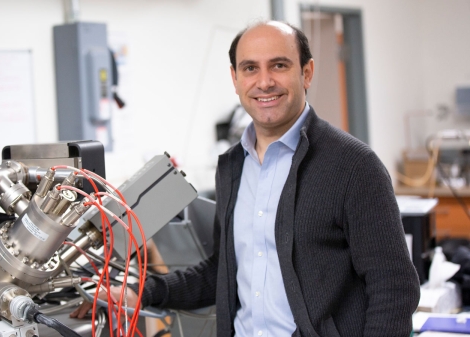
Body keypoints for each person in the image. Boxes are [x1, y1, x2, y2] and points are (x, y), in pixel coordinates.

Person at [71, 21, 420, 337]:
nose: (264, 81)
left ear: (307, 73)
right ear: (235, 78)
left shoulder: (354, 166)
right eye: (250, 68)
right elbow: (222, 272)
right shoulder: (233, 166)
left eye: (279, 65)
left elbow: (394, 287)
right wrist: (140, 292)